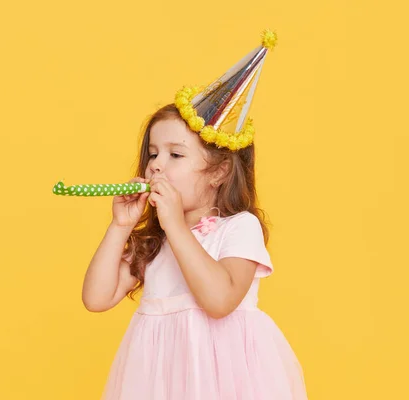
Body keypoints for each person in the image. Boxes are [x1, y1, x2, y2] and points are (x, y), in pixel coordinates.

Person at [81, 30, 308, 399]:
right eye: (153, 153)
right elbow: (96, 298)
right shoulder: (154, 242)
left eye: (176, 154)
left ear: (218, 172)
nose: (156, 165)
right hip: (158, 382)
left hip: (226, 384)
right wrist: (119, 227)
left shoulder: (239, 228)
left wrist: (174, 225)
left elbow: (219, 302)